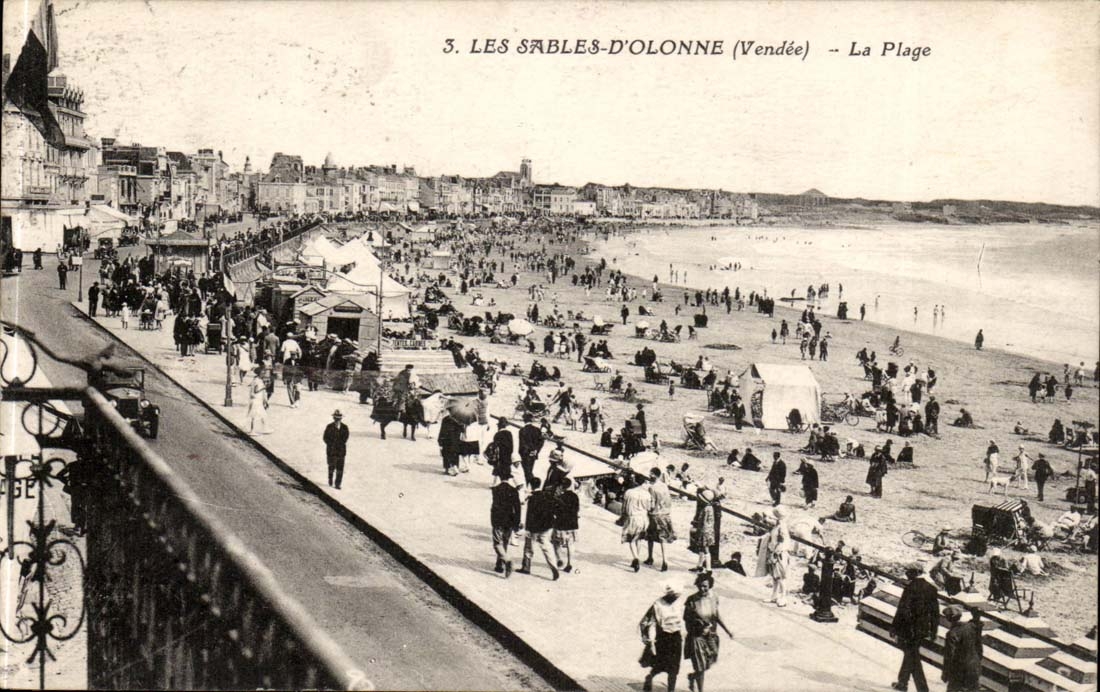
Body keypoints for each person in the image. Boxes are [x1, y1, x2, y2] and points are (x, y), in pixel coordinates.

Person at [891, 562, 940, 692]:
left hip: (909, 629)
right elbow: (935, 613)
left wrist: (894, 628)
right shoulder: (932, 588)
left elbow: (902, 609)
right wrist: (934, 631)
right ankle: (902, 682)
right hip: (922, 629)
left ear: (916, 572)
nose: (907, 573)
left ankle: (922, 689)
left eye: (909, 571)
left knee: (912, 656)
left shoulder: (910, 587)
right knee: (910, 653)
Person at [683, 571, 733, 692]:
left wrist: (727, 630)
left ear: (710, 586)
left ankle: (693, 676)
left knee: (711, 660)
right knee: (700, 666)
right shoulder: (691, 600)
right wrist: (696, 629)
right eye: (700, 585)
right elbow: (686, 620)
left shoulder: (714, 597)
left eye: (705, 586)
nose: (702, 588)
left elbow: (716, 615)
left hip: (711, 635)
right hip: (697, 637)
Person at [639, 582, 684, 692]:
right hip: (662, 637)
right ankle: (650, 677)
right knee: (660, 664)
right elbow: (648, 622)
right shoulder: (658, 604)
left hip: (676, 637)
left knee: (674, 668)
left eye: (677, 595)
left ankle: (671, 690)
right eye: (674, 595)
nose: (676, 598)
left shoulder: (680, 603)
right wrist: (648, 638)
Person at [518, 477, 558, 580]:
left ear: (530, 485)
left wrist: (527, 528)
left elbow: (529, 515)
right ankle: (553, 565)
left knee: (529, 547)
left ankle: (526, 567)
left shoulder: (532, 498)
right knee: (546, 546)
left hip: (534, 528)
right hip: (547, 526)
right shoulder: (547, 496)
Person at [941, 607, 983, 692]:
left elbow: (949, 656)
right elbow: (979, 647)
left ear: (948, 619)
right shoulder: (971, 627)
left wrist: (945, 673)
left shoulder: (952, 634)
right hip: (974, 668)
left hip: (960, 671)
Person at [490, 473, 523, 577]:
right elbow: (518, 508)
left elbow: (494, 507)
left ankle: (506, 560)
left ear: (500, 477)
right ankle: (499, 564)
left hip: (498, 520)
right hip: (509, 520)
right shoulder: (514, 491)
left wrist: (493, 520)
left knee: (497, 543)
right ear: (510, 478)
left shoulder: (495, 489)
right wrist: (516, 523)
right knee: (505, 542)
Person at [645, 467, 676, 572]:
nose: (649, 476)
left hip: (655, 515)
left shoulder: (652, 488)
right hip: (665, 515)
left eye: (650, 474)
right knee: (663, 539)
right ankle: (664, 560)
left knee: (650, 536)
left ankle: (650, 557)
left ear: (653, 475)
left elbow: (652, 504)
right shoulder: (665, 486)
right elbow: (669, 501)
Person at [760, 506, 791, 607]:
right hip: (775, 553)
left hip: (779, 554)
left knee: (781, 577)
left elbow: (781, 541)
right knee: (775, 576)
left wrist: (775, 552)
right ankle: (774, 595)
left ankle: (783, 597)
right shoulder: (778, 525)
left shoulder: (781, 527)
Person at [622, 475, 654, 572]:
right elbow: (649, 508)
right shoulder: (647, 494)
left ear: (635, 481)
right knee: (638, 539)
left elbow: (624, 507)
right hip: (644, 519)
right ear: (644, 482)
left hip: (632, 518)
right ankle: (636, 558)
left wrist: (623, 517)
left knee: (631, 539)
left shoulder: (629, 492)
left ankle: (635, 558)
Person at [552, 478, 580, 573]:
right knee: (570, 544)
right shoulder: (575, 496)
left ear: (561, 486)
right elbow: (577, 509)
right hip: (572, 524)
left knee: (556, 543)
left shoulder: (560, 497)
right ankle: (570, 563)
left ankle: (560, 559)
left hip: (561, 524)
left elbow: (555, 511)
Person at [689, 489, 716, 572]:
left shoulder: (706, 509)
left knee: (705, 549)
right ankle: (699, 565)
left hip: (704, 531)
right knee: (701, 548)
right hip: (708, 531)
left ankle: (708, 568)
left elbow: (704, 522)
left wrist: (698, 528)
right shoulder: (709, 508)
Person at [323, 409, 349, 489]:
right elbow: (325, 438)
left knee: (340, 468)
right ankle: (330, 479)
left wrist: (339, 444)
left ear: (341, 419)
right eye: (336, 418)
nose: (337, 420)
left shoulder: (345, 427)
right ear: (334, 418)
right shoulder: (329, 426)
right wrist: (331, 444)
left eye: (339, 418)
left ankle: (338, 484)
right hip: (331, 451)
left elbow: (345, 438)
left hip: (341, 451)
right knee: (331, 467)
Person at [518, 412, 544, 484]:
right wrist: (536, 450)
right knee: (530, 469)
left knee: (527, 471)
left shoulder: (522, 430)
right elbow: (541, 441)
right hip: (534, 453)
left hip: (525, 454)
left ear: (524, 420)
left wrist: (527, 451)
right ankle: (529, 484)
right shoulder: (537, 429)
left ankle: (532, 484)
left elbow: (522, 443)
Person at [246, 367, 269, 435]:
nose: (264, 374)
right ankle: (252, 430)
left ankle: (265, 428)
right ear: (259, 373)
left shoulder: (258, 380)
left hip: (258, 400)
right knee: (255, 415)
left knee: (263, 415)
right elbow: (256, 391)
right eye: (262, 373)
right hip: (255, 400)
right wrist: (264, 387)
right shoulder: (257, 380)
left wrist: (265, 400)